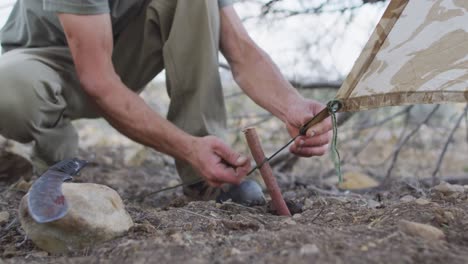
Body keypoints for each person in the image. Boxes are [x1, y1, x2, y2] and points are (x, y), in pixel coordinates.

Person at [0, 0, 332, 205]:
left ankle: (207, 175)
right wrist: (184, 146)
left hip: (118, 58)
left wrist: (293, 106)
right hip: (43, 63)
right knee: (8, 89)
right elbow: (98, 81)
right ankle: (53, 172)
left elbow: (240, 50)